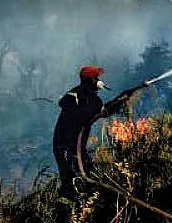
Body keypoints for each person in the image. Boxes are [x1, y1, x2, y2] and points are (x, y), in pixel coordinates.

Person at [53, 66, 125, 200]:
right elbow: (64, 104)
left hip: (78, 148)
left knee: (87, 174)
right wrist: (88, 112)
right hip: (63, 147)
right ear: (89, 80)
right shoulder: (74, 95)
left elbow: (102, 112)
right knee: (69, 180)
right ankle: (66, 209)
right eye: (95, 78)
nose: (98, 81)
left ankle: (84, 205)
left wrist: (120, 100)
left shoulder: (94, 100)